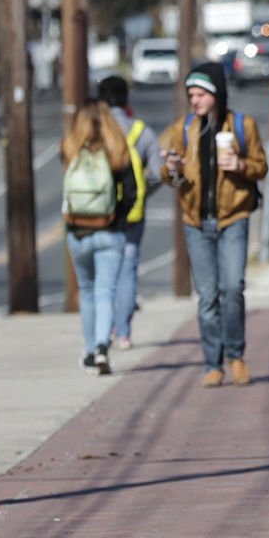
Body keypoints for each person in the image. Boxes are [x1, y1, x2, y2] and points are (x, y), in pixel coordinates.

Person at [160, 62, 268, 388]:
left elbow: (261, 166)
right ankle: (213, 362)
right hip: (196, 222)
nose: (194, 100)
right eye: (191, 95)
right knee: (207, 296)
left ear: (216, 93)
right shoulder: (183, 129)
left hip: (234, 217)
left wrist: (240, 164)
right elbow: (167, 174)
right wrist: (172, 167)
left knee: (232, 288)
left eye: (200, 94)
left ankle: (235, 356)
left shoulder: (241, 125)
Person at [62, 99, 138, 376]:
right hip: (109, 231)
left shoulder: (69, 149)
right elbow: (131, 191)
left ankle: (90, 350)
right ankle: (104, 347)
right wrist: (117, 218)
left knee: (87, 291)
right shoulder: (117, 149)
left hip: (78, 231)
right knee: (106, 290)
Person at [97, 75, 163, 351]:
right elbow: (160, 174)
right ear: (126, 99)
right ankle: (123, 332)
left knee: (102, 273)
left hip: (100, 211)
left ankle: (103, 329)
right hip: (133, 212)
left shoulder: (95, 129)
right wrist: (142, 190)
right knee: (128, 268)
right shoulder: (141, 131)